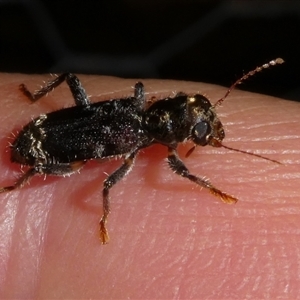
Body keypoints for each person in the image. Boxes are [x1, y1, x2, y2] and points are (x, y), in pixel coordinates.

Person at [0, 73, 299, 298]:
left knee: (72, 79)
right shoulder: (139, 137)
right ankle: (13, 189)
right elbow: (114, 186)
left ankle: (32, 102)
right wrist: (210, 188)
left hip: (50, 128)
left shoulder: (139, 104)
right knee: (90, 181)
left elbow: (141, 92)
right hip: (38, 146)